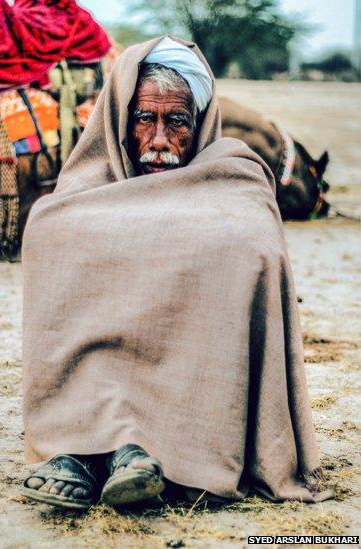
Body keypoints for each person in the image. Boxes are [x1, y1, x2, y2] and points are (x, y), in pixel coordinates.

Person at [21, 36, 331, 510]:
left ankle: (142, 449)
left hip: (187, 392)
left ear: (200, 122)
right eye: (145, 119)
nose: (161, 140)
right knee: (51, 229)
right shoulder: (86, 186)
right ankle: (78, 449)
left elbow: (253, 245)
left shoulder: (235, 174)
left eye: (177, 121)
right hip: (87, 387)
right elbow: (52, 230)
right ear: (122, 123)